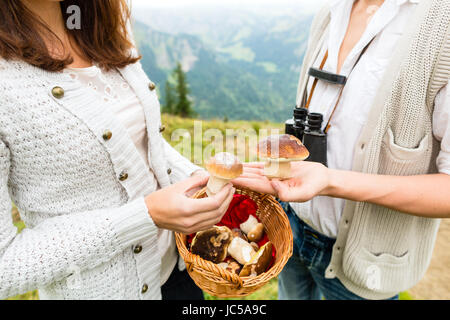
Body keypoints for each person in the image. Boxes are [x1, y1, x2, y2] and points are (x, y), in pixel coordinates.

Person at [0, 0, 235, 300]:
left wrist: (200, 179)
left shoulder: (101, 27)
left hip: (179, 273)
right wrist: (144, 216)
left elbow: (140, 142)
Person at [234, 0, 450, 300]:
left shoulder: (443, 25)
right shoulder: (331, 9)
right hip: (290, 227)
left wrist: (331, 181)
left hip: (365, 261)